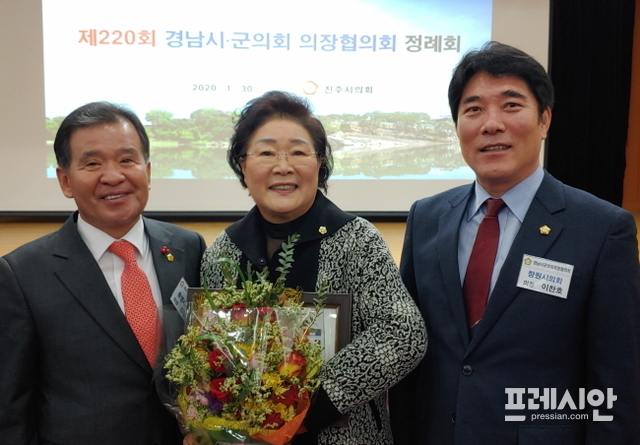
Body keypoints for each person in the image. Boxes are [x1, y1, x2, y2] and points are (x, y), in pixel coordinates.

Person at [389, 41, 640, 444]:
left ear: (544, 120)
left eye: (511, 105)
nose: (491, 124)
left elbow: (617, 379)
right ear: (457, 126)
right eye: (473, 109)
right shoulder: (427, 217)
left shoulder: (602, 229)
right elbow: (410, 352)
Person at [200, 90, 427, 445]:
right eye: (266, 153)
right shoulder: (222, 252)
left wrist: (306, 406)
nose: (283, 166)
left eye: (298, 152)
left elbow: (403, 333)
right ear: (242, 166)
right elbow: (211, 348)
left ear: (319, 163)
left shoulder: (357, 240)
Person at [0, 101, 207, 444]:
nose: (113, 176)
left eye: (127, 160)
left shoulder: (188, 248)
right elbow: (10, 409)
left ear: (148, 171)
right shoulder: (21, 274)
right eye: (92, 163)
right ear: (65, 180)